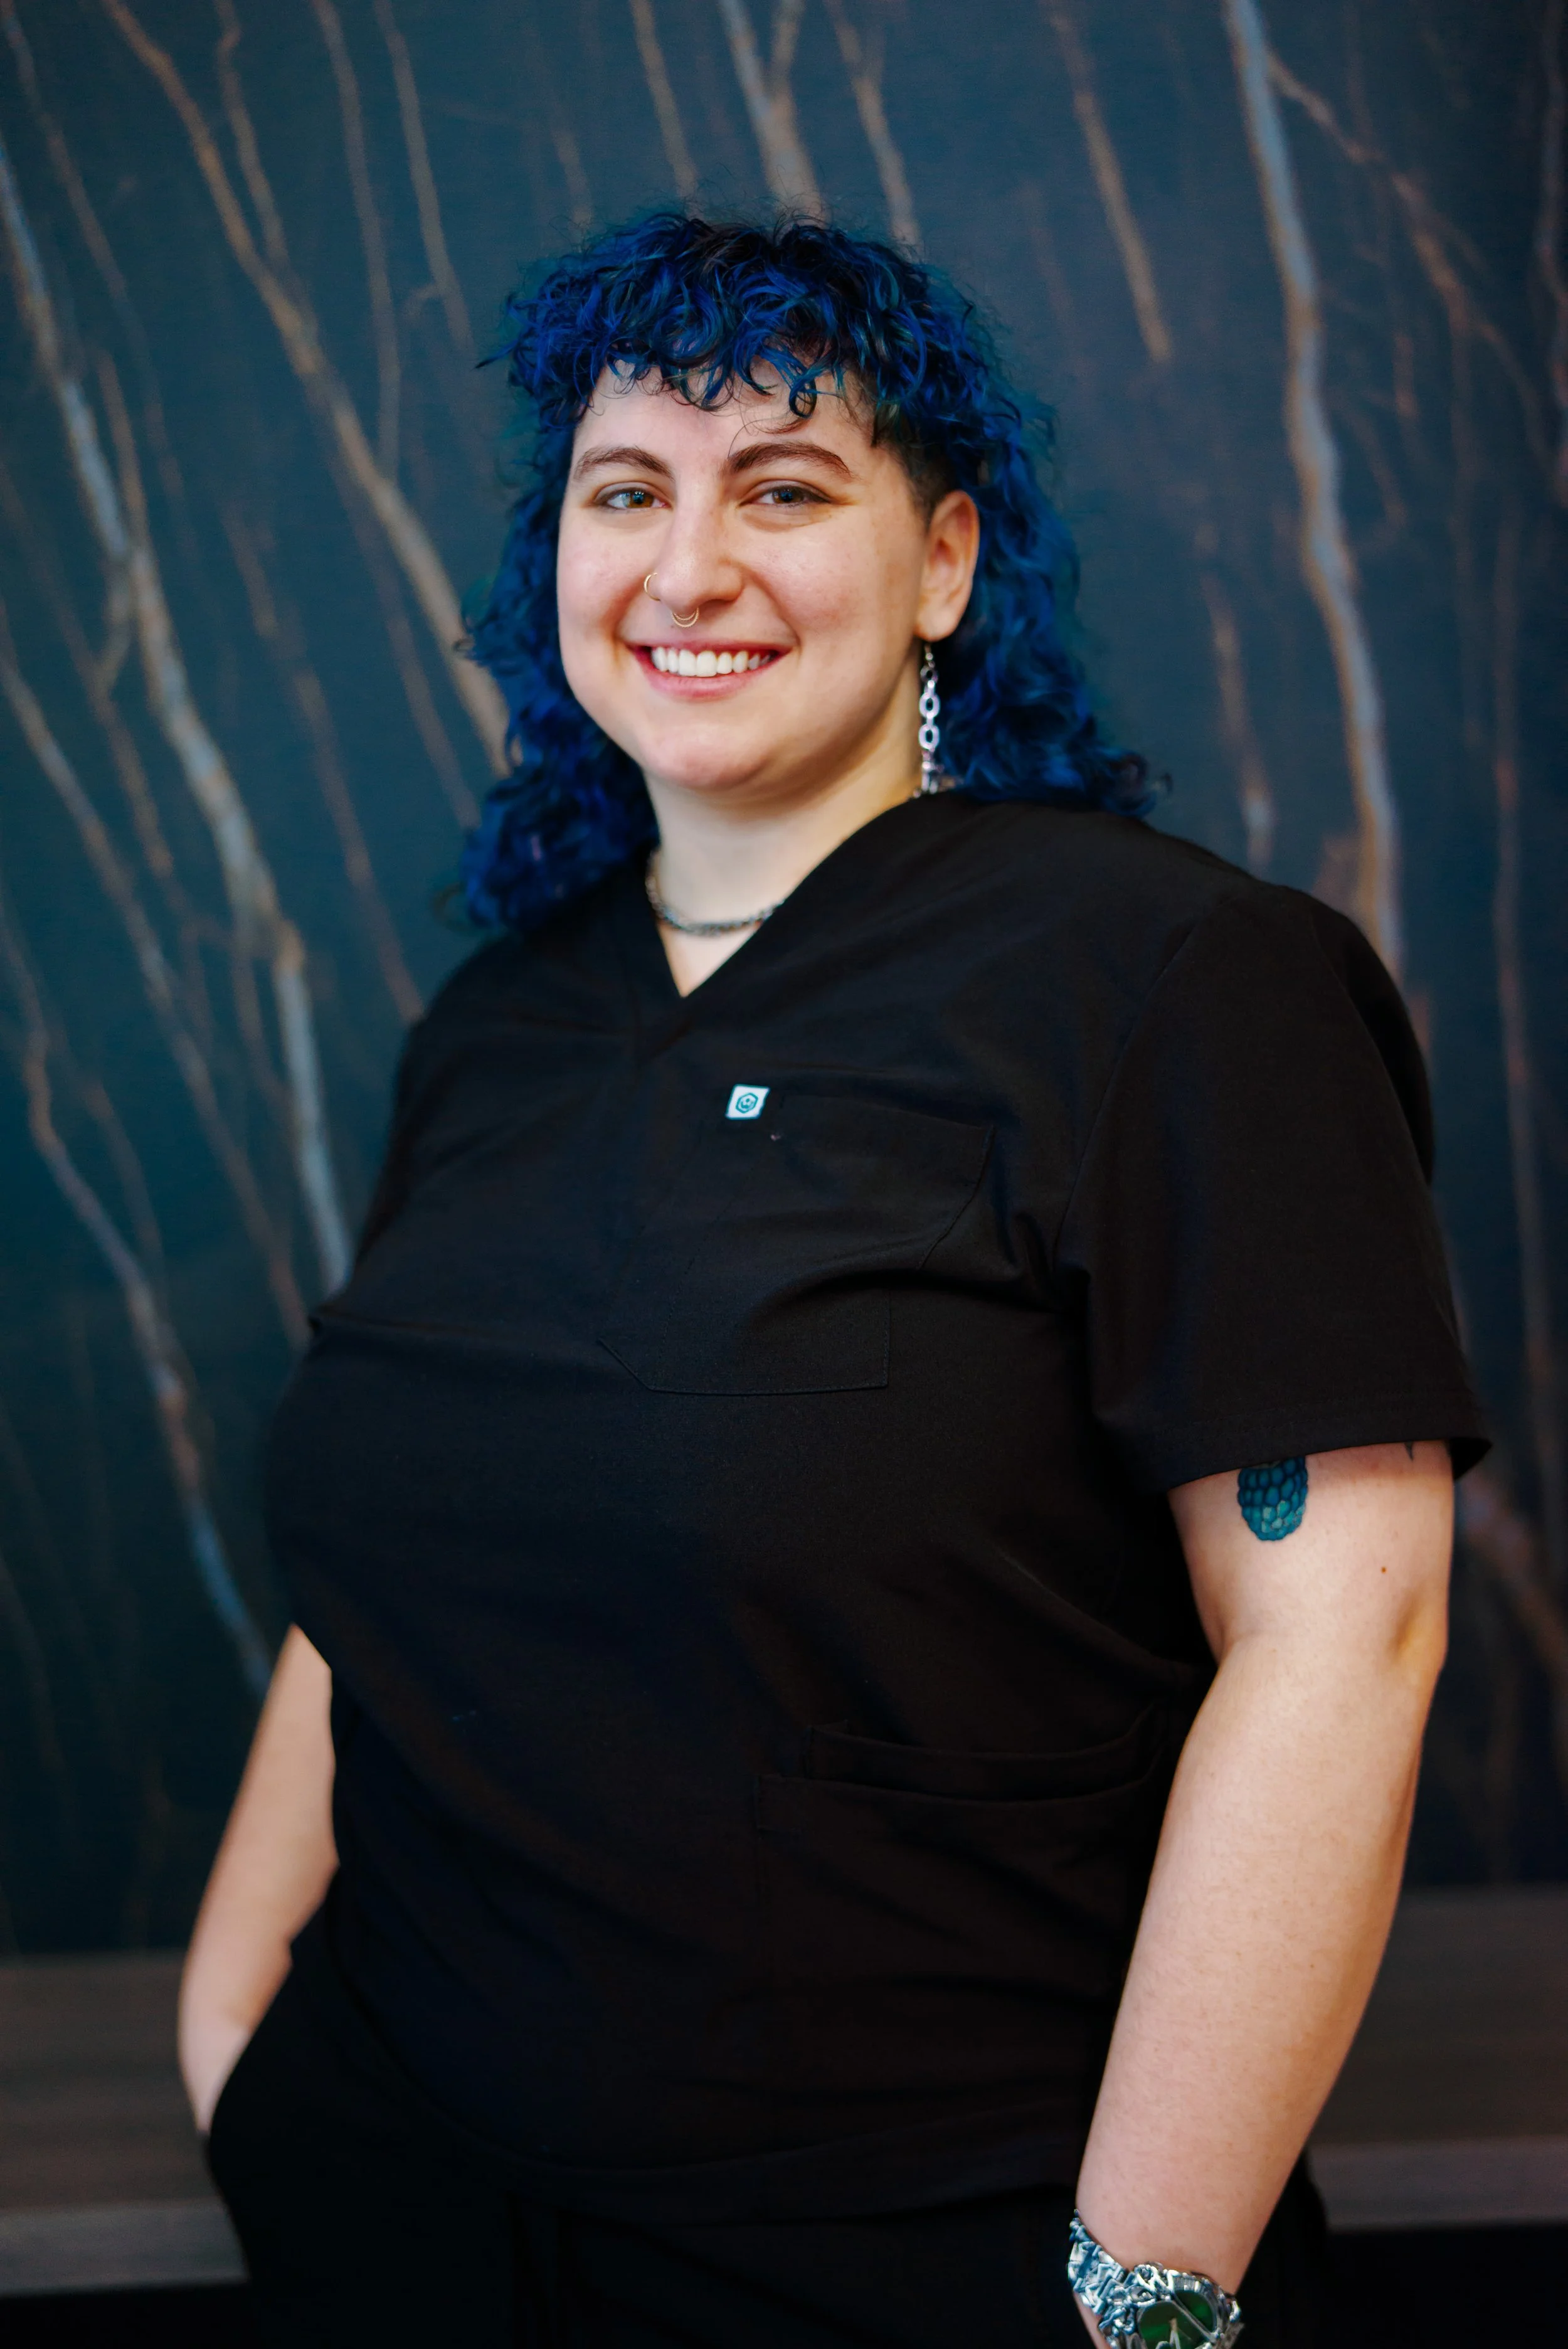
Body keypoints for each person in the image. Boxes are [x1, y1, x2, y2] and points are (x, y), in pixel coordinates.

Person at [181, 214, 1485, 2348]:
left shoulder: (1169, 983)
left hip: (917, 2257)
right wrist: (236, 2056)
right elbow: (378, 1589)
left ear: (944, 565)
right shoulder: (502, 1024)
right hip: (396, 2206)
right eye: (629, 494)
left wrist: (1136, 2300)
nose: (690, 569)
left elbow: (1345, 1639)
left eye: (781, 488)